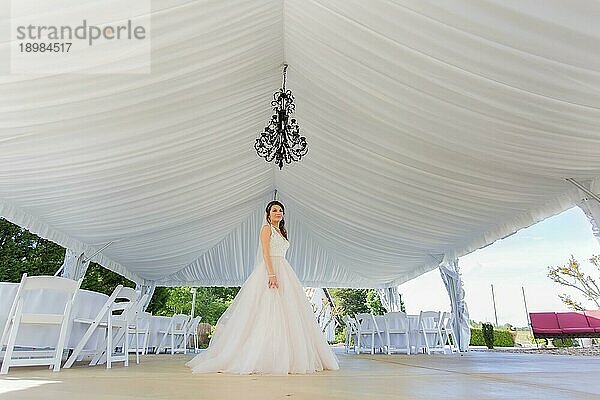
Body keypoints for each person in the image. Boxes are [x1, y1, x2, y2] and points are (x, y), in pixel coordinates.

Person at [186, 201, 339, 374]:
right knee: (267, 311)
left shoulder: (281, 231)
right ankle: (262, 356)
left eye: (281, 210)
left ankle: (290, 354)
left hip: (285, 270)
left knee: (289, 313)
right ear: (268, 214)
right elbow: (266, 253)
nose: (278, 213)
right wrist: (271, 274)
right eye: (275, 210)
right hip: (271, 270)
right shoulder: (267, 229)